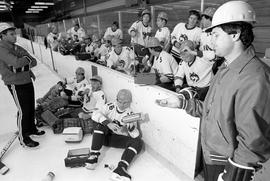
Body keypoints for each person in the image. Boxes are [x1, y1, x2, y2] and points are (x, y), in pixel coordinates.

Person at [156, 1, 270, 181]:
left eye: (216, 35)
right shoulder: (225, 68)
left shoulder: (255, 78)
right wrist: (182, 102)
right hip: (212, 155)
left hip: (228, 164)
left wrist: (232, 175)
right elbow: (211, 109)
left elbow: (253, 142)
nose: (211, 41)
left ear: (235, 35)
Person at [0, 22, 45, 148]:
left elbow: (34, 61)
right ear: (3, 36)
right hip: (15, 83)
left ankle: (31, 129)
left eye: (15, 34)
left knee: (30, 107)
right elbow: (16, 62)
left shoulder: (16, 47)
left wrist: (24, 66)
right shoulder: (1, 48)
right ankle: (23, 138)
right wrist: (24, 62)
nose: (15, 36)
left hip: (26, 80)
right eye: (11, 34)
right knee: (23, 110)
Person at [85, 89, 143, 181]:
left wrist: (131, 128)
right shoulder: (110, 106)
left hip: (115, 139)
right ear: (116, 99)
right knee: (100, 125)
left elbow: (135, 135)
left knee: (139, 142)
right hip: (102, 137)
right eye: (120, 101)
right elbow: (95, 114)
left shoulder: (130, 114)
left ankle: (121, 169)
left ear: (129, 102)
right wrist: (108, 123)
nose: (122, 104)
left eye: (125, 102)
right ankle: (93, 156)